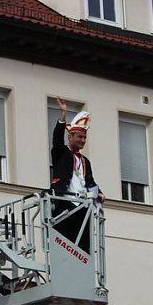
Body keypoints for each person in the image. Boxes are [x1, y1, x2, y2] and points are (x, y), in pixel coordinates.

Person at [50, 98, 104, 253]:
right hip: (65, 203)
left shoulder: (85, 161)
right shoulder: (61, 153)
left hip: (82, 205)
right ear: (70, 137)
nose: (83, 140)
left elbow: (90, 182)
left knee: (82, 247)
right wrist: (63, 114)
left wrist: (99, 192)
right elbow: (57, 139)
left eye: (85, 137)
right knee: (64, 246)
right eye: (80, 137)